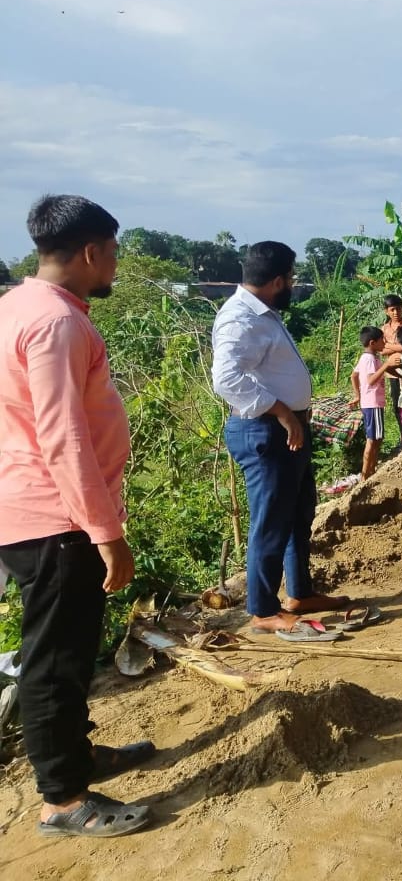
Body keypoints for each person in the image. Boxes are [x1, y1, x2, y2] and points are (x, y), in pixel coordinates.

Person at [0, 195, 153, 837]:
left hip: (32, 510)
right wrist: (107, 534)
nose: (113, 267)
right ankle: (63, 799)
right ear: (91, 252)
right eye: (113, 255)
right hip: (55, 518)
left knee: (69, 648)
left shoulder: (17, 307)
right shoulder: (57, 323)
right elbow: (63, 436)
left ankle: (79, 754)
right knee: (54, 659)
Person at [212, 241, 348, 636]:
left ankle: (299, 594)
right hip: (266, 431)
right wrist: (283, 411)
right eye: (290, 278)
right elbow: (226, 379)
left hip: (285, 430)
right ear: (275, 281)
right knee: (270, 522)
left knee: (297, 516)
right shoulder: (241, 319)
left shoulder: (263, 314)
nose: (292, 284)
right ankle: (263, 611)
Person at [350, 326, 397, 477]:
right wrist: (386, 365)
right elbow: (370, 380)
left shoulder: (366, 358)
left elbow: (354, 376)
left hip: (369, 402)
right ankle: (367, 473)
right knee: (374, 439)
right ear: (372, 343)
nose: (384, 343)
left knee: (376, 438)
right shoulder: (370, 359)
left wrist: (358, 395)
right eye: (381, 340)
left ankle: (370, 471)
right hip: (373, 403)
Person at [380, 295, 402, 409]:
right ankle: (401, 426)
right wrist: (398, 346)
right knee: (396, 402)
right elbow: (381, 350)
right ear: (386, 311)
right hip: (392, 371)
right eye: (392, 310)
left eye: (398, 309)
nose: (396, 312)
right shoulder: (384, 328)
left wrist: (387, 345)